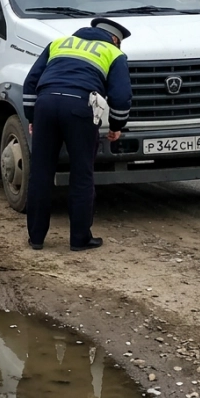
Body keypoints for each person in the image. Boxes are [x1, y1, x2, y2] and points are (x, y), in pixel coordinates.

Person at [22, 17, 132, 251]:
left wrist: (32, 116)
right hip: (80, 108)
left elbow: (31, 81)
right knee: (81, 174)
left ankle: (36, 238)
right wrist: (116, 126)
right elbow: (121, 96)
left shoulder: (58, 43)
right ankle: (79, 239)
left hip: (46, 104)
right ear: (115, 39)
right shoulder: (113, 53)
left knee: (40, 173)